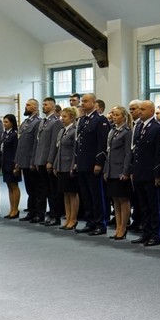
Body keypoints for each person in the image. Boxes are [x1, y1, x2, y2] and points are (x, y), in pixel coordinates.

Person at [128, 100, 160, 246]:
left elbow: (158, 153)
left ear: (151, 111)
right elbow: (135, 151)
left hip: (150, 174)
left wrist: (157, 175)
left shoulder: (158, 128)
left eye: (143, 109)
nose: (140, 111)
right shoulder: (138, 127)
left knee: (153, 206)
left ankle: (155, 235)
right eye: (139, 109)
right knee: (142, 206)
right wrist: (132, 170)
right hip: (139, 172)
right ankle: (146, 232)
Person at [74, 93, 109, 235]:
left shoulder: (100, 120)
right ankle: (90, 221)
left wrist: (99, 163)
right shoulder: (82, 120)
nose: (82, 103)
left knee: (96, 195)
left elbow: (102, 144)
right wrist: (76, 162)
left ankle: (100, 223)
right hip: (82, 163)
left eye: (86, 101)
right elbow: (79, 143)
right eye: (82, 101)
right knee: (85, 195)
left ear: (94, 103)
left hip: (93, 164)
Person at [103, 106, 134, 240]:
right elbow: (108, 152)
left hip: (121, 169)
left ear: (123, 116)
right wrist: (105, 169)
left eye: (116, 115)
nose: (114, 117)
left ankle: (123, 227)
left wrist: (126, 171)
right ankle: (118, 226)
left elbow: (128, 153)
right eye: (113, 114)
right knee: (115, 199)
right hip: (111, 169)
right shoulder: (113, 131)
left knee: (123, 199)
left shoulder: (127, 132)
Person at [36, 97, 63, 225]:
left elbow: (54, 143)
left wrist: (50, 161)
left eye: (46, 104)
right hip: (40, 160)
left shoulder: (56, 122)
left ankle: (55, 216)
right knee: (45, 190)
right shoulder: (43, 122)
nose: (43, 106)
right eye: (43, 104)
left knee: (53, 191)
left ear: (53, 106)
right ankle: (50, 214)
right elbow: (39, 143)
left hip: (48, 160)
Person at [53, 107, 81, 229]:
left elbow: (76, 150)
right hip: (61, 166)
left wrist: (73, 166)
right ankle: (68, 217)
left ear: (72, 118)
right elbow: (58, 150)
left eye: (64, 117)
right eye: (61, 116)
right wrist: (55, 165)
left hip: (69, 165)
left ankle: (73, 219)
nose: (62, 119)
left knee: (72, 193)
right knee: (65, 193)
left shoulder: (74, 131)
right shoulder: (62, 131)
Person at [15, 98, 43, 222]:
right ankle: (31, 211)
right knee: (30, 189)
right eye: (26, 104)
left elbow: (36, 144)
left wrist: (33, 161)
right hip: (24, 161)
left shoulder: (38, 122)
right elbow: (21, 144)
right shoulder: (26, 122)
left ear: (35, 108)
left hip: (32, 161)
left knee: (37, 189)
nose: (26, 107)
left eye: (28, 105)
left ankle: (39, 213)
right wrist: (18, 161)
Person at [0, 113, 21, 219]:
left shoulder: (14, 135)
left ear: (12, 123)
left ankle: (16, 209)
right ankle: (11, 208)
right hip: (5, 163)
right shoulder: (4, 134)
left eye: (6, 122)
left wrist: (16, 165)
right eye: (4, 121)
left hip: (12, 163)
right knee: (9, 186)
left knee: (14, 186)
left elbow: (16, 150)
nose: (4, 124)